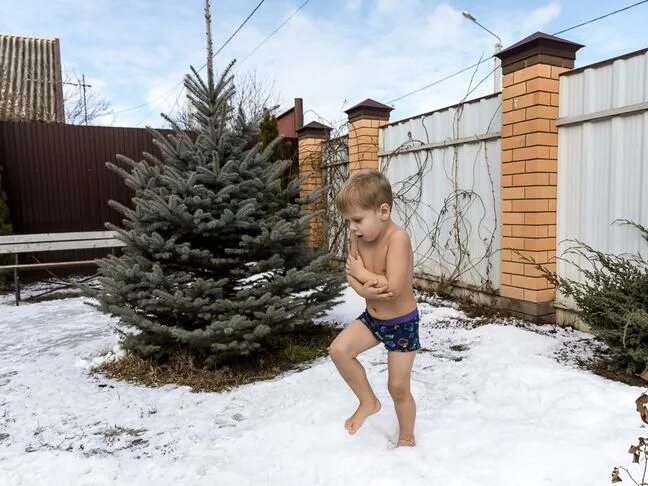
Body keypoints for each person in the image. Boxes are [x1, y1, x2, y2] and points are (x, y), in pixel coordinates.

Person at [329, 169, 420, 448]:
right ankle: (368, 401)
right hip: (373, 319)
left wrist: (362, 275)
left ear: (383, 211)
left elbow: (393, 285)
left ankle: (406, 437)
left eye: (357, 220)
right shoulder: (360, 237)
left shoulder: (397, 239)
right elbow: (350, 272)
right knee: (339, 351)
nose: (352, 228)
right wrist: (361, 288)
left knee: (398, 387)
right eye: (348, 221)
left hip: (401, 323)